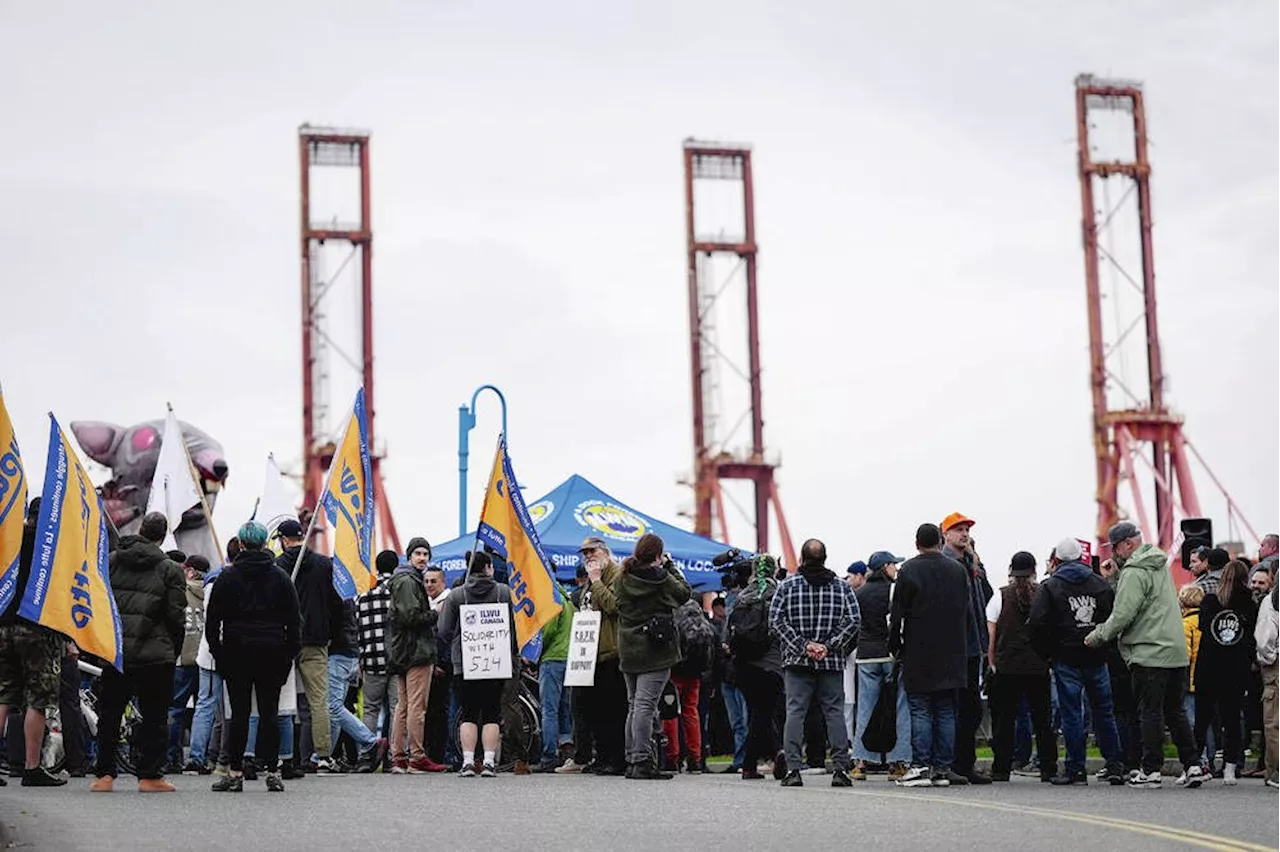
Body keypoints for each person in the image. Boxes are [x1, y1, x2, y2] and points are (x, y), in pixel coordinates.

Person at [1085, 521, 1205, 788]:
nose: (1113, 552)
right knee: (1175, 711)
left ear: (1128, 544)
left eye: (1115, 546)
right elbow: (1145, 601)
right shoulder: (1158, 565)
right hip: (1174, 650)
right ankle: (1193, 764)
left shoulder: (1135, 571)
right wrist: (1116, 577)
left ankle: (1151, 770)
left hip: (1149, 651)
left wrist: (1099, 635)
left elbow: (1124, 613)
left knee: (1149, 712)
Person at [88, 512, 186, 793]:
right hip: (155, 654)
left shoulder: (111, 561)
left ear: (140, 529)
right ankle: (149, 775)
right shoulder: (170, 569)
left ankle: (105, 774)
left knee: (110, 713)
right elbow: (175, 617)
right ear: (163, 536)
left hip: (116, 651)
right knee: (154, 716)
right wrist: (172, 650)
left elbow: (99, 602)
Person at [204, 521, 301, 792]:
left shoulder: (227, 577)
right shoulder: (279, 577)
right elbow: (294, 623)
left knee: (240, 714)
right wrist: (287, 656)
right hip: (272, 651)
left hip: (236, 652)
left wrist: (219, 655)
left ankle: (235, 772)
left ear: (242, 544)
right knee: (270, 712)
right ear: (264, 544)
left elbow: (212, 624)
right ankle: (272, 771)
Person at [1030, 538, 1124, 785]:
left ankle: (1076, 769)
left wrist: (1048, 654)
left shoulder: (1050, 586)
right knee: (1104, 712)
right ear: (1082, 558)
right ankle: (1114, 765)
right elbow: (1112, 618)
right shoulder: (1099, 584)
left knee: (1072, 714)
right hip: (1096, 655)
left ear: (1057, 560)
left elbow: (1037, 623)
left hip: (1066, 657)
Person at [770, 538, 861, 788]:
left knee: (795, 713)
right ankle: (841, 769)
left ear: (801, 558)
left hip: (797, 662)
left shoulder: (787, 587)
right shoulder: (842, 588)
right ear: (825, 558)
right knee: (834, 713)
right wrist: (829, 645)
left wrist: (803, 645)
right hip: (831, 662)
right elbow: (853, 620)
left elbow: (776, 621)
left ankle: (793, 770)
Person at [889, 523, 971, 788]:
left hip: (919, 650)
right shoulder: (958, 570)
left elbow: (898, 613)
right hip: (953, 650)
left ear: (916, 544)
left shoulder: (909, 570)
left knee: (921, 709)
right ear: (939, 540)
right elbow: (967, 610)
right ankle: (943, 767)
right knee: (946, 710)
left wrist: (895, 646)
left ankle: (922, 765)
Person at [0, 498, 67, 787]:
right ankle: (32, 766)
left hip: (4, 624)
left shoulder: (9, 538)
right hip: (37, 626)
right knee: (38, 700)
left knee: (3, 697)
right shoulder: (51, 546)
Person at [613, 533, 691, 780]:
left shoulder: (622, 577)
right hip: (654, 650)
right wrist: (670, 567)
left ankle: (631, 758)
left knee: (634, 705)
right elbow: (684, 593)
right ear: (658, 555)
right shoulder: (661, 579)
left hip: (628, 647)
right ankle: (642, 759)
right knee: (645, 706)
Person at [436, 551, 516, 778]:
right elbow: (515, 624)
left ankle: (468, 762)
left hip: (465, 662)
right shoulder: (504, 592)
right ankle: (489, 762)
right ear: (489, 567)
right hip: (496, 659)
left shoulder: (456, 595)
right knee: (491, 712)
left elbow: (443, 630)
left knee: (468, 713)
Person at [276, 518, 342, 772]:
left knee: (281, 700)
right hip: (315, 638)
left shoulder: (278, 565)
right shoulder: (324, 565)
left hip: (284, 640)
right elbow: (337, 604)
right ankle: (323, 755)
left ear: (283, 540)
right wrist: (330, 633)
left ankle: (282, 754)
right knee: (318, 700)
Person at [985, 552, 1057, 783]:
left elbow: (991, 634)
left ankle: (1001, 768)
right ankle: (1048, 767)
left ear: (1011, 571)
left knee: (1004, 721)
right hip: (1038, 666)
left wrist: (992, 662)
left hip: (1007, 666)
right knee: (1043, 721)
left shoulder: (1000, 596)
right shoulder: (1043, 595)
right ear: (1034, 570)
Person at [939, 512, 994, 785]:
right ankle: (952, 763)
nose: (964, 534)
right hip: (954, 648)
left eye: (966, 530)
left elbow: (987, 597)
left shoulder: (971, 563)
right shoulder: (945, 563)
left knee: (971, 708)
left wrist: (977, 564)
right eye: (958, 530)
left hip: (974, 646)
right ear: (946, 534)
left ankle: (965, 763)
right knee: (955, 707)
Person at [1194, 559, 1255, 786]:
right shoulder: (1249, 602)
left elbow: (1202, 627)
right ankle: (1230, 768)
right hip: (1236, 668)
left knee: (1202, 719)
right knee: (1232, 720)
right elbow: (1252, 637)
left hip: (1209, 666)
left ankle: (1194, 764)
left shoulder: (1210, 601)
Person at [851, 551, 910, 780]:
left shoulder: (859, 593)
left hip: (866, 655)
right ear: (884, 567)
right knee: (899, 708)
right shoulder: (895, 590)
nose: (896, 568)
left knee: (865, 707)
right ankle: (898, 763)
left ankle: (861, 762)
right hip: (891, 655)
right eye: (893, 565)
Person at [387, 537, 440, 773]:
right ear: (409, 556)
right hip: (416, 650)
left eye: (425, 554)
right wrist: (434, 613)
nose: (422, 558)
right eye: (418, 553)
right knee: (416, 706)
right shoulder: (409, 581)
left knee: (404, 706)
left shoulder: (402, 579)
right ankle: (416, 756)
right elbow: (411, 617)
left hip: (402, 651)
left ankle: (398, 756)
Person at [729, 555, 784, 780]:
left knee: (757, 713)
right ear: (775, 570)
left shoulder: (741, 596)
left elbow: (728, 633)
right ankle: (775, 753)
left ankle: (755, 762)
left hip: (744, 665)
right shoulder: (779, 594)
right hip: (771, 664)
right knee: (765, 714)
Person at [577, 537, 628, 776]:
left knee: (613, 710)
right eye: (585, 553)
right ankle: (602, 756)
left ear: (605, 552)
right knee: (594, 710)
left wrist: (596, 581)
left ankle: (617, 758)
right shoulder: (590, 580)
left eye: (592, 551)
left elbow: (614, 606)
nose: (588, 556)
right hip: (590, 653)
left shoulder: (616, 575)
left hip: (612, 651)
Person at [327, 595, 389, 773]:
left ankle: (370, 741)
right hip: (349, 652)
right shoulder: (346, 595)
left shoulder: (334, 596)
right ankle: (325, 756)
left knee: (334, 707)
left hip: (338, 652)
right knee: (336, 708)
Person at [166, 554, 209, 773]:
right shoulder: (211, 592)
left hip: (182, 658)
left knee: (175, 709)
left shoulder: (179, 592)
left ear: (190, 571)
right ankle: (200, 756)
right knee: (204, 711)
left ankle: (172, 758)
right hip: (204, 660)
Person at [358, 550, 398, 742]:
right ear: (396, 566)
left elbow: (358, 630)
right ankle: (394, 755)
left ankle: (367, 750)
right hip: (397, 660)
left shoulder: (363, 596)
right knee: (397, 708)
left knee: (370, 709)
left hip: (371, 660)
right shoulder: (398, 592)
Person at [534, 586, 575, 772]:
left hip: (552, 658)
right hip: (569, 657)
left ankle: (549, 755)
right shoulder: (568, 600)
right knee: (565, 708)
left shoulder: (550, 599)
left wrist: (535, 653)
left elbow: (548, 632)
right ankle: (567, 750)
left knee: (549, 710)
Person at [423, 564, 453, 767]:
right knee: (428, 713)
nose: (429, 585)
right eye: (426, 581)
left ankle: (441, 754)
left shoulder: (449, 602)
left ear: (443, 582)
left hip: (445, 666)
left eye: (433, 581)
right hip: (428, 665)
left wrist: (441, 663)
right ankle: (430, 754)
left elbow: (446, 636)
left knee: (441, 713)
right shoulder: (424, 604)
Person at [1254, 559, 1280, 789]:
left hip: (1276, 664)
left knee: (1274, 721)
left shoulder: (1271, 602)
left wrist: (1268, 659)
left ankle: (1275, 771)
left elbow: (1264, 639)